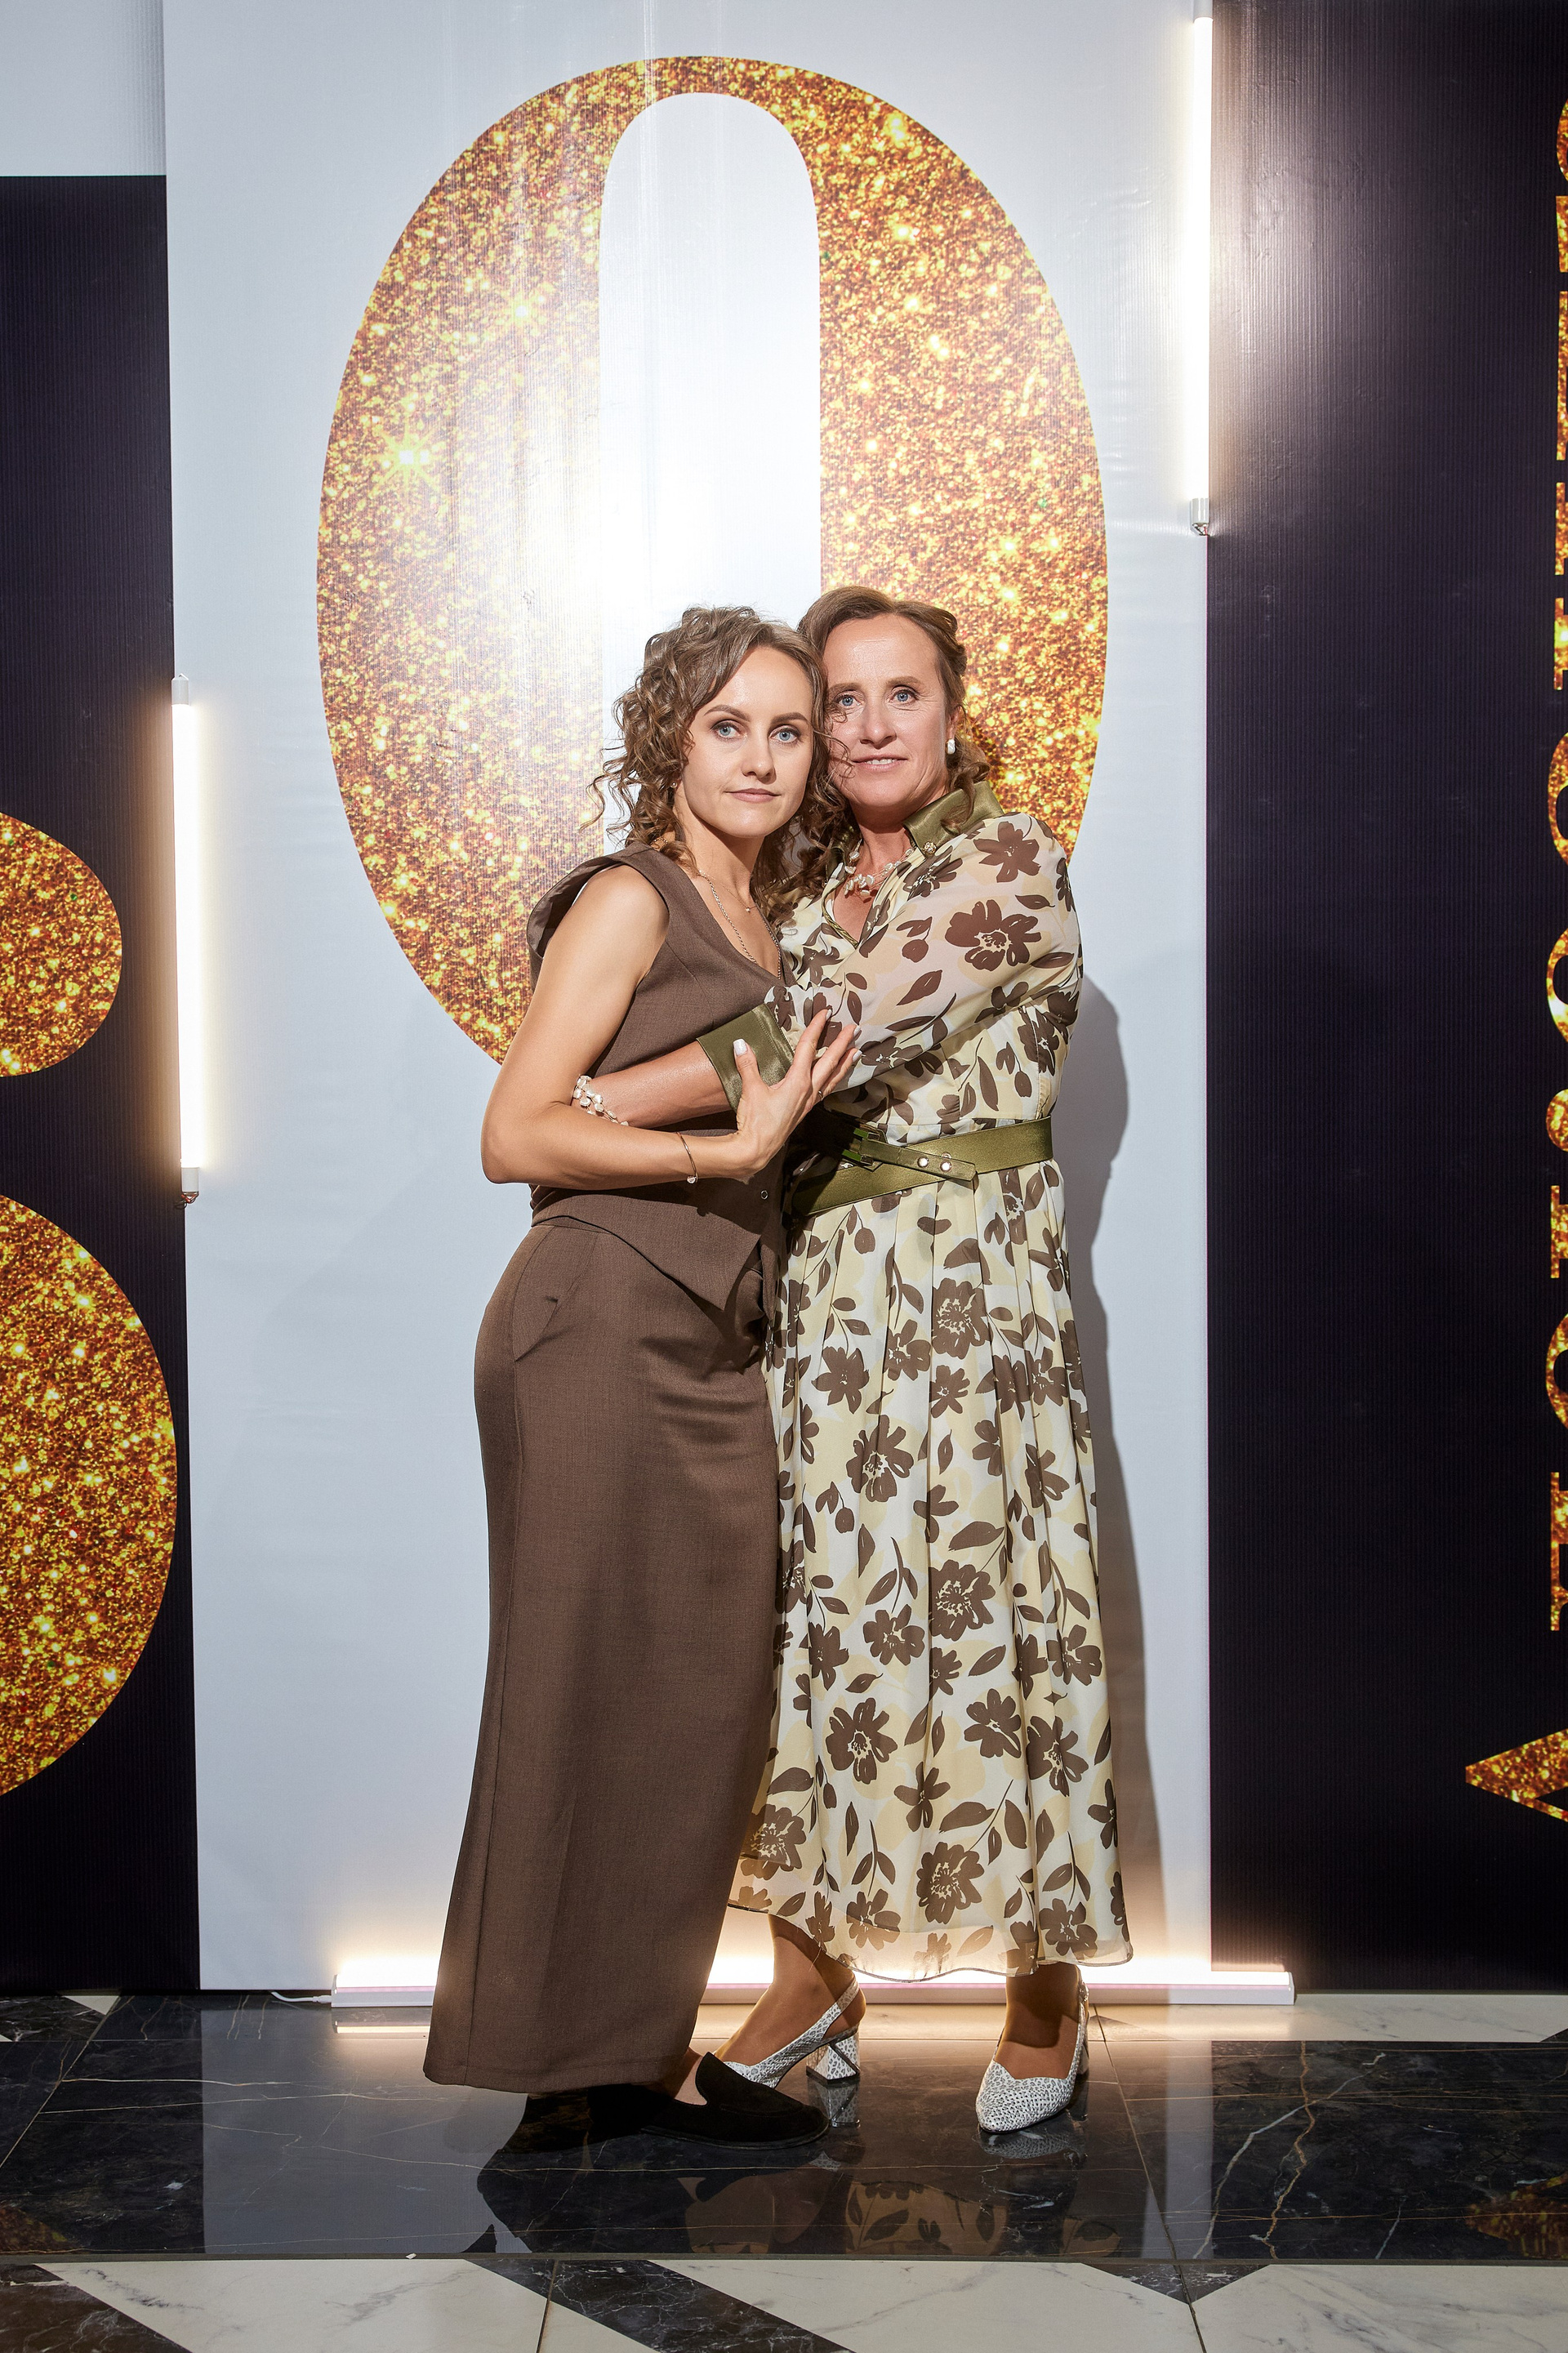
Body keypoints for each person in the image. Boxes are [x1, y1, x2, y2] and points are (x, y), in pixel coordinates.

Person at [586, 587, 1128, 2135]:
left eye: (904, 693)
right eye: (844, 700)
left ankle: (1046, 1988)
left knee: (1007, 1617)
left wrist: (594, 1097)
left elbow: (824, 1031)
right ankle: (814, 1980)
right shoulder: (805, 880)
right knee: (817, 1623)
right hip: (826, 1299)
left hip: (978, 1301)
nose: (872, 724)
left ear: (954, 711)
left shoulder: (1008, 861)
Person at [423, 605, 857, 2146]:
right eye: (728, 724)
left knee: (688, 1701)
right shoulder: (631, 896)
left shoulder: (774, 922)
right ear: (672, 734)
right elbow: (514, 1132)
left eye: (788, 730)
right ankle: (562, 2072)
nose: (761, 756)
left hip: (704, 1339)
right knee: (574, 1691)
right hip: (595, 1323)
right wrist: (719, 1149)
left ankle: (626, 2048)